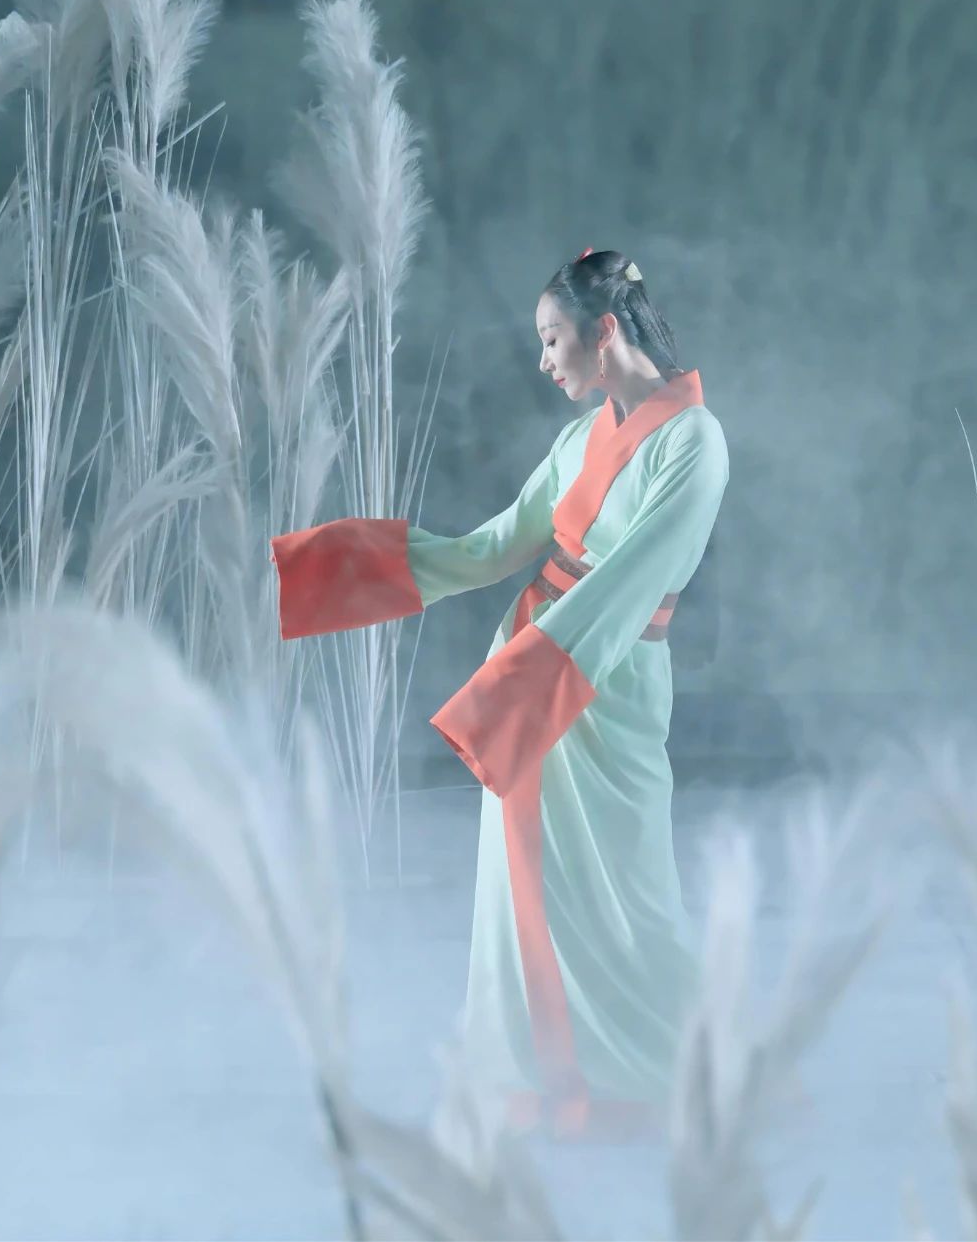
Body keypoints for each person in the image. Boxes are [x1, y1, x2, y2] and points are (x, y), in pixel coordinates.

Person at [270, 248, 729, 1142]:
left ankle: (685, 1078)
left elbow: (632, 579)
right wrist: (330, 570)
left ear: (605, 331)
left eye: (553, 339)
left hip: (600, 682)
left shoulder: (693, 442)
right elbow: (489, 549)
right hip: (535, 660)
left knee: (629, 893)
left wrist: (520, 689)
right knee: (526, 886)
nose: (544, 359)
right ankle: (539, 1080)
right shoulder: (579, 440)